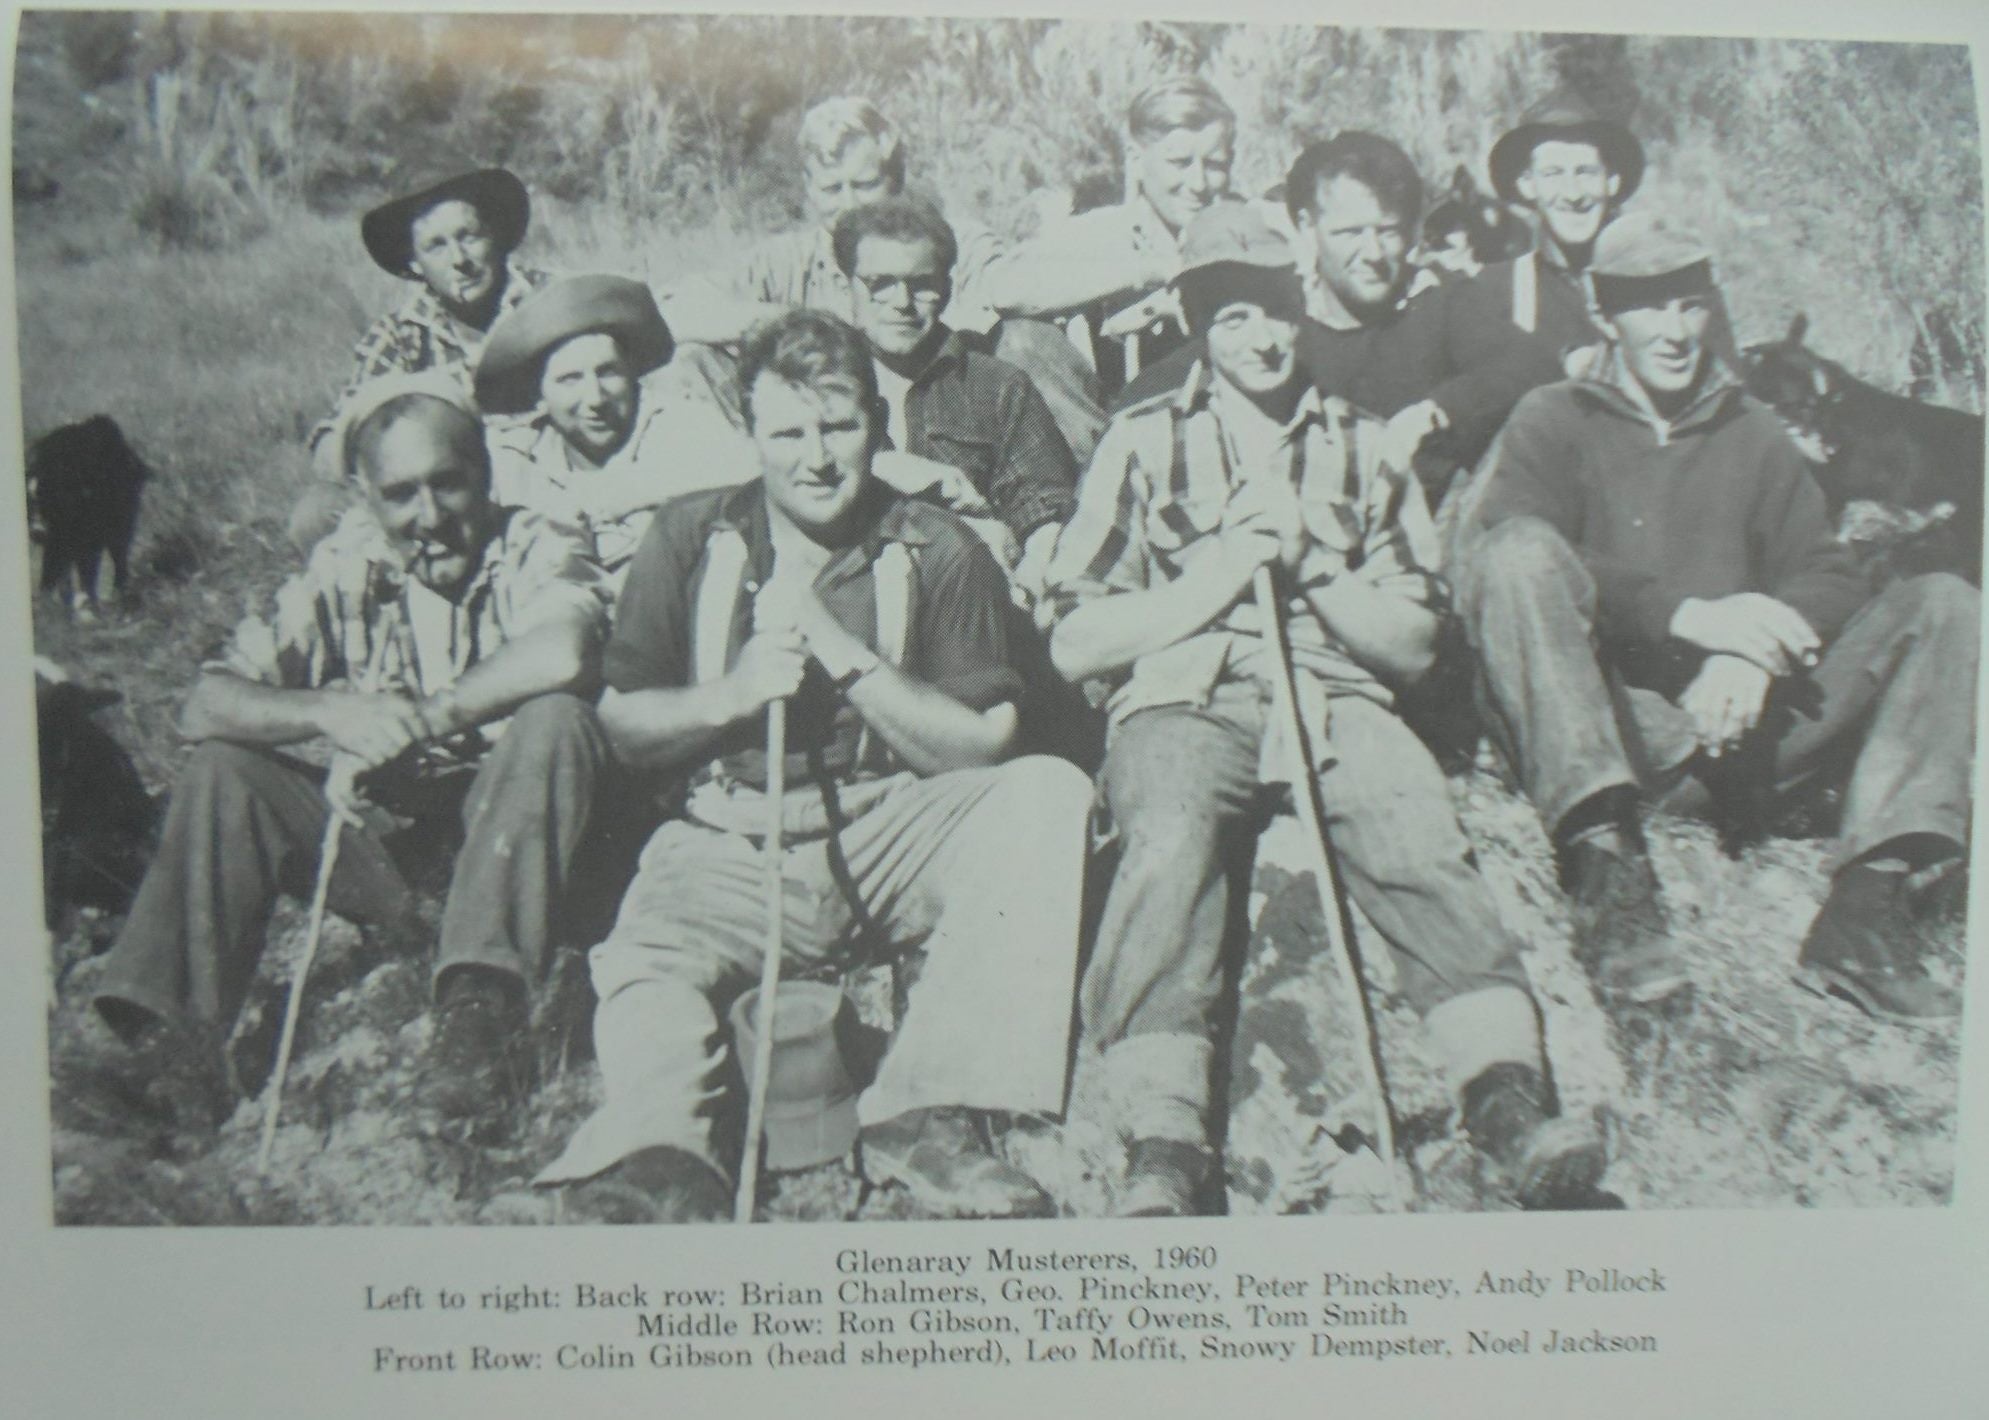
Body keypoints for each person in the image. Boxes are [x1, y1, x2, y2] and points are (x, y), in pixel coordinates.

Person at [1046, 205, 1605, 1217]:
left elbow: (1414, 641)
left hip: (1333, 687)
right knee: (1170, 839)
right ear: (1199, 331)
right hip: (1188, 687)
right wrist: (1219, 574)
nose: (1262, 339)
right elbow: (1076, 639)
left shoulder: (1358, 445)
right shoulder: (1138, 440)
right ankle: (1164, 1139)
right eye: (1234, 320)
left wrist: (1309, 567)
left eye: (1278, 315)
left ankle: (1504, 1097)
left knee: (1415, 826)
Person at [534, 309, 1091, 1222]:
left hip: (888, 832)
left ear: (876, 421)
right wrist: (733, 696)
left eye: (838, 427)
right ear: (750, 436)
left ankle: (925, 1109)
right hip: (729, 841)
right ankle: (664, 1150)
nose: (817, 458)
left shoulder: (935, 544)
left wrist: (847, 658)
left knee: (1047, 796)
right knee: (647, 962)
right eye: (786, 433)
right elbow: (624, 729)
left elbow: (985, 744)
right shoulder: (688, 537)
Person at [1454, 214, 1978, 1024]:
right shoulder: (1553, 417)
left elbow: (1827, 570)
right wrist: (1686, 618)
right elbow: (1507, 553)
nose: (1672, 331)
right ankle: (1609, 882)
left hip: (1740, 735)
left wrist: (1754, 647)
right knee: (1519, 550)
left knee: (1944, 602)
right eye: (1646, 308)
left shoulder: (1752, 430)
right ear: (1604, 317)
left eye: (1688, 306)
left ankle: (1865, 911)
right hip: (1612, 733)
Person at [92, 374, 613, 1136]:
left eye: (449, 485)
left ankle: (480, 1019)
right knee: (223, 766)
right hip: (397, 856)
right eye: (401, 494)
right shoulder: (348, 565)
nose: (429, 517)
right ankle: (173, 1047)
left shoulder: (540, 538)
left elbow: (565, 648)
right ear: (367, 498)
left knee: (555, 719)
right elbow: (204, 703)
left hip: (523, 851)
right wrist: (331, 710)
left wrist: (427, 717)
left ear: (487, 477)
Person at [1117, 132, 1563, 519]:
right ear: (1308, 228)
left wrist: (1432, 414)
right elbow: (1170, 382)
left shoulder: (1438, 299)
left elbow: (1531, 362)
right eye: (1350, 233)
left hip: (1432, 526)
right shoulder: (1282, 319)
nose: (1372, 253)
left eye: (1388, 232)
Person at [660, 97, 1101, 461]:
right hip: (830, 443)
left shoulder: (948, 237)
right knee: (696, 361)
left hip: (954, 430)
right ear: (809, 189)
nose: (850, 206)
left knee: (1029, 337)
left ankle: (1092, 496)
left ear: (897, 178)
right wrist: (793, 323)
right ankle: (740, 512)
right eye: (832, 190)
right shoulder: (784, 260)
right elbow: (674, 314)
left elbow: (1020, 283)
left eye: (865, 184)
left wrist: (1144, 270)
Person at [830, 197, 1077, 601]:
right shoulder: (819, 386)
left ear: (947, 287)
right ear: (847, 286)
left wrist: (1032, 578)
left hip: (971, 600)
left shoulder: (996, 387)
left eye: (921, 285)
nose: (902, 303)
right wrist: (886, 469)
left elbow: (1046, 513)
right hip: (849, 595)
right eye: (880, 285)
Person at [476, 274, 755, 588]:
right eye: (570, 380)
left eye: (607, 372)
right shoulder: (517, 459)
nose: (595, 398)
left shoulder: (681, 426)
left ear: (633, 372)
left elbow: (753, 483)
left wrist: (635, 490)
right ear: (539, 395)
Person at [979, 75, 1239, 406]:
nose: (1199, 183)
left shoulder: (1251, 232)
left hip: (1211, 423)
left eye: (1215, 164)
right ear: (1135, 159)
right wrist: (1152, 271)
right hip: (1109, 430)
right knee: (1023, 338)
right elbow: (1005, 288)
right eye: (1179, 163)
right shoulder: (1102, 231)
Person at [308, 168, 550, 473]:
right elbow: (338, 438)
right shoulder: (400, 336)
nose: (459, 260)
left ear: (495, 236)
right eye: (436, 246)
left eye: (469, 236)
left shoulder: (550, 298)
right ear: (415, 263)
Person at [1476, 90, 1646, 368]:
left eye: (1585, 172)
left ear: (1612, 181)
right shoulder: (1495, 289)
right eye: (1553, 174)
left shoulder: (1653, 278)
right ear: (1527, 185)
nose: (1573, 194)